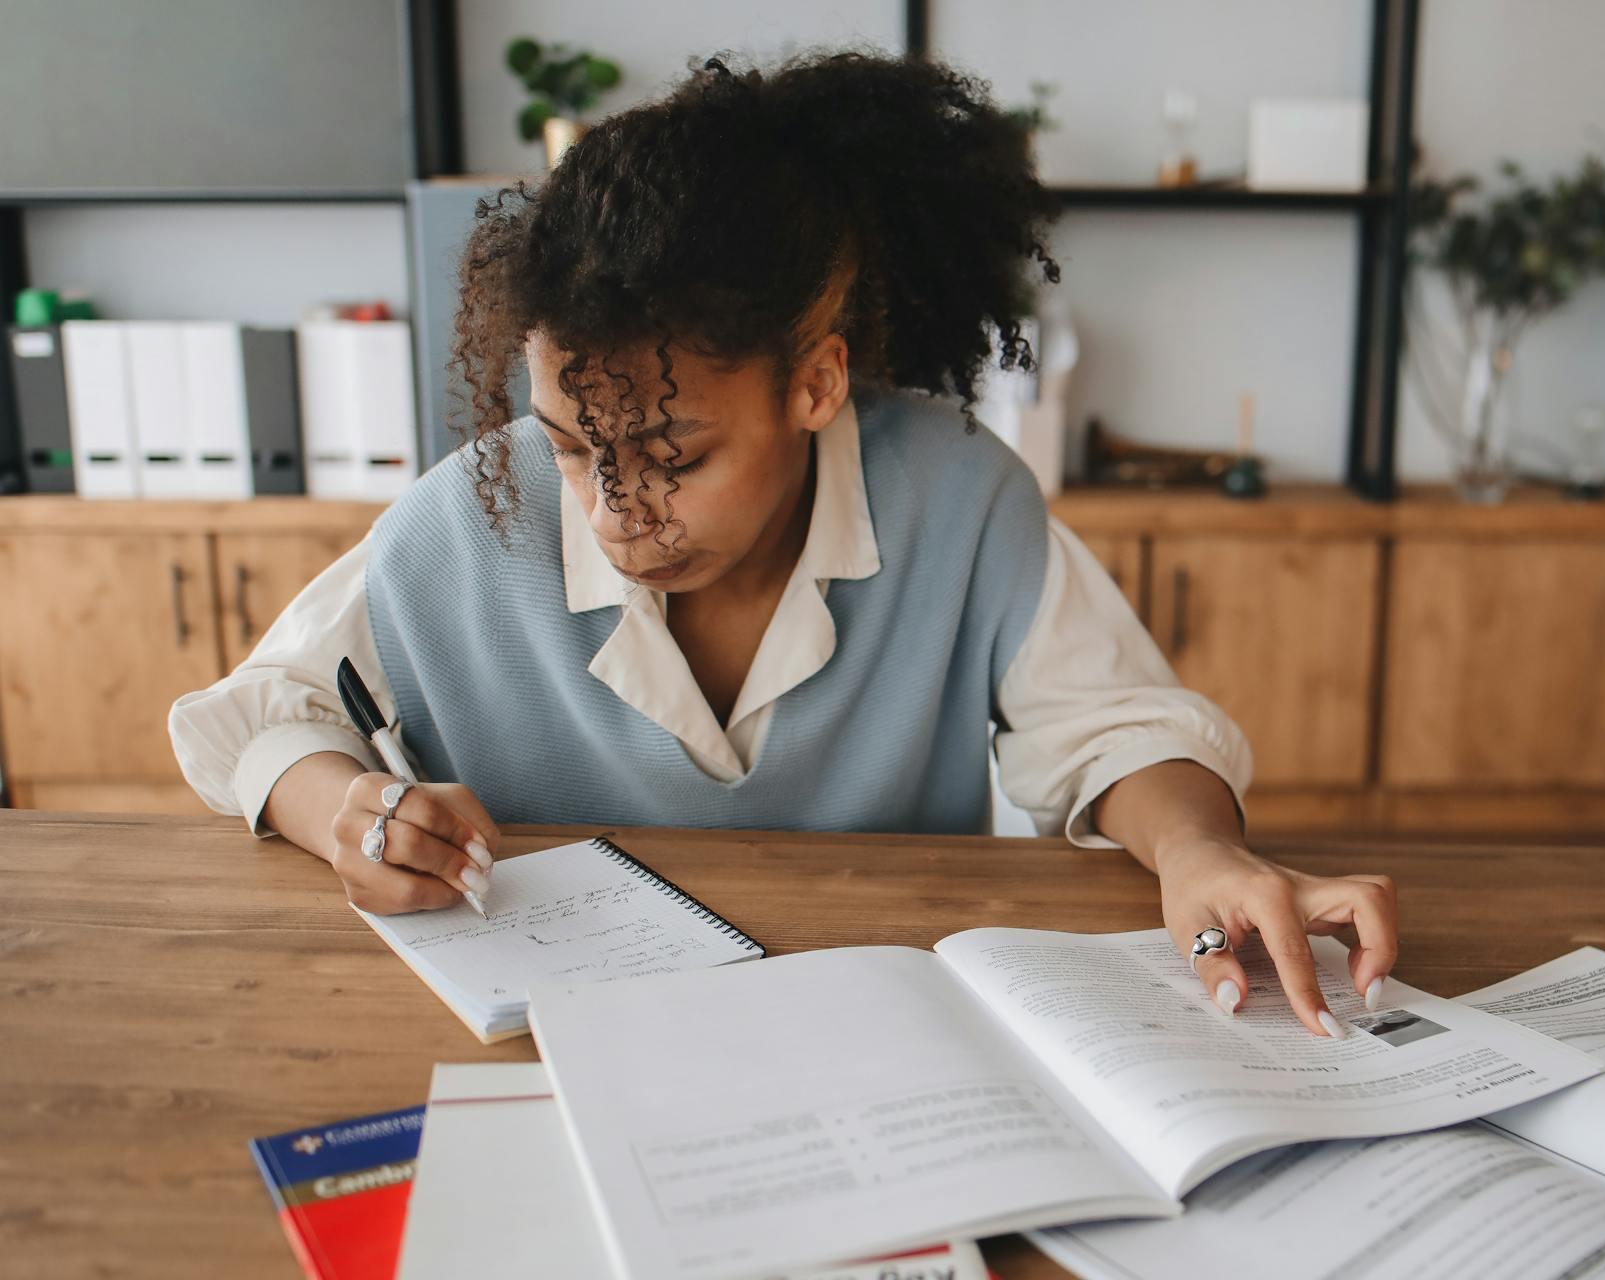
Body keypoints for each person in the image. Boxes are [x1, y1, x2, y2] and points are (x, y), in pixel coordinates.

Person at [168, 51, 1396, 1036]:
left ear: (814, 385)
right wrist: (347, 811)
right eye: (572, 445)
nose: (614, 513)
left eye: (675, 455)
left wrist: (1197, 850)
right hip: (548, 1049)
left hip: (881, 1036)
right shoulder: (468, 516)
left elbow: (1115, 725)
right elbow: (255, 713)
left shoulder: (957, 498)